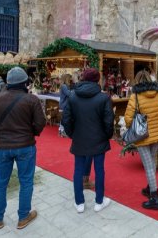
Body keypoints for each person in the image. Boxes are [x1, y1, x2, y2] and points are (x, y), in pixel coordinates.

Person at [0, 67, 46, 230]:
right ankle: (23, 217)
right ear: (25, 82)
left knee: (0, 183)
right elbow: (40, 123)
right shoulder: (32, 100)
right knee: (26, 182)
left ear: (8, 82)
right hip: (26, 146)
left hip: (3, 147)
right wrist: (32, 132)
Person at [62, 68, 114, 213]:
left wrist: (73, 134)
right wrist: (106, 135)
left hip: (80, 137)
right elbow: (109, 121)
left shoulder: (73, 96)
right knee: (99, 170)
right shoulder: (103, 98)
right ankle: (99, 201)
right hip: (98, 138)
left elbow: (66, 120)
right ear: (97, 80)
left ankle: (79, 203)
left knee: (78, 169)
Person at [124, 70, 158, 210]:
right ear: (150, 79)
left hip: (142, 136)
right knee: (152, 161)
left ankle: (155, 198)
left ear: (137, 81)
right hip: (157, 135)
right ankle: (150, 187)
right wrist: (156, 120)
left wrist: (131, 126)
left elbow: (128, 118)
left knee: (148, 166)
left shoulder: (135, 96)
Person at [59, 73, 94, 189]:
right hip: (88, 132)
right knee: (87, 156)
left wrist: (71, 132)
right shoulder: (71, 91)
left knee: (80, 159)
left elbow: (67, 119)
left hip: (79, 132)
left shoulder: (75, 93)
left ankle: (81, 183)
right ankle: (84, 180)